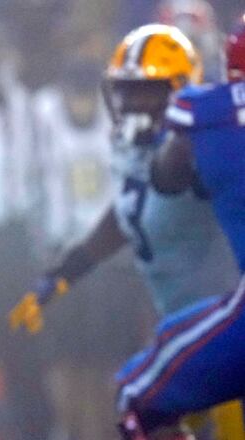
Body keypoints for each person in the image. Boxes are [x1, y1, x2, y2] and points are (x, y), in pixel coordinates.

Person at [10, 23, 240, 439]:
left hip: (223, 336)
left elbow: (170, 181)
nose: (133, 103)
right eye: (127, 90)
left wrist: (179, 139)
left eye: (147, 91)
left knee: (142, 404)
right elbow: (129, 212)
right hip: (180, 330)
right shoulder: (135, 147)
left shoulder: (199, 145)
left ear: (180, 89)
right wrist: (62, 276)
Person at [116, 16, 245, 439]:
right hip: (194, 294)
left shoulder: (203, 114)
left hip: (229, 310)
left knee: (136, 397)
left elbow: (166, 175)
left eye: (147, 89)